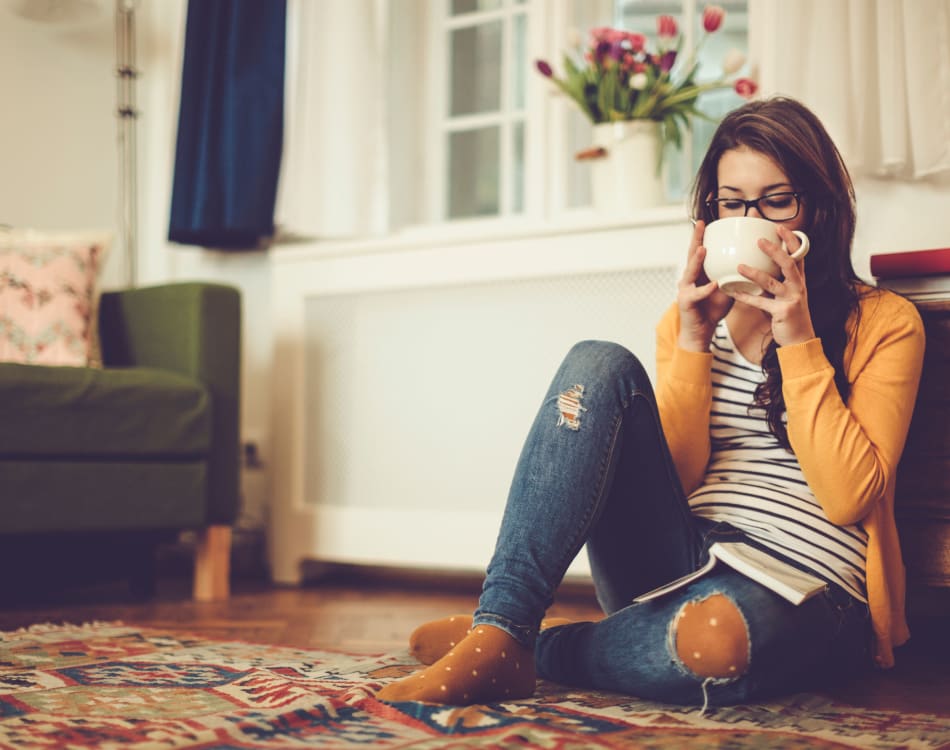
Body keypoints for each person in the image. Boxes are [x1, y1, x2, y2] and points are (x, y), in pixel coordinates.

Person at [375, 96, 925, 709]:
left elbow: (849, 496)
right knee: (596, 361)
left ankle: (534, 647)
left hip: (807, 588)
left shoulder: (884, 322)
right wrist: (693, 341)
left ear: (817, 209)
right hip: (677, 558)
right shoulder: (689, 325)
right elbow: (680, 474)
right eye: (733, 203)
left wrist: (797, 338)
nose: (755, 219)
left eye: (777, 199)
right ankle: (502, 623)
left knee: (715, 644)